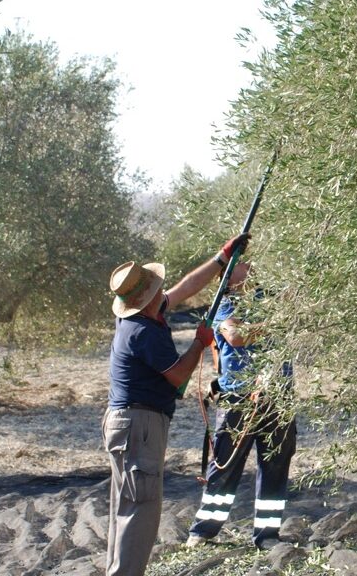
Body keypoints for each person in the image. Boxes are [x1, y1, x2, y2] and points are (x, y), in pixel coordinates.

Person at [101, 233, 249, 576]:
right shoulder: (143, 332)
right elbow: (180, 377)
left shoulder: (142, 317)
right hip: (140, 426)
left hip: (127, 424)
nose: (163, 293)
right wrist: (200, 342)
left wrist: (220, 260)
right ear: (149, 297)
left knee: (127, 507)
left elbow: (186, 287)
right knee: (141, 512)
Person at [185, 260, 296, 550]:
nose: (250, 265)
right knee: (225, 465)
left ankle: (268, 535)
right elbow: (235, 336)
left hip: (278, 397)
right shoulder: (224, 303)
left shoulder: (270, 298)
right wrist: (276, 323)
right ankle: (203, 531)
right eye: (242, 263)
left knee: (275, 465)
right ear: (228, 275)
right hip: (239, 398)